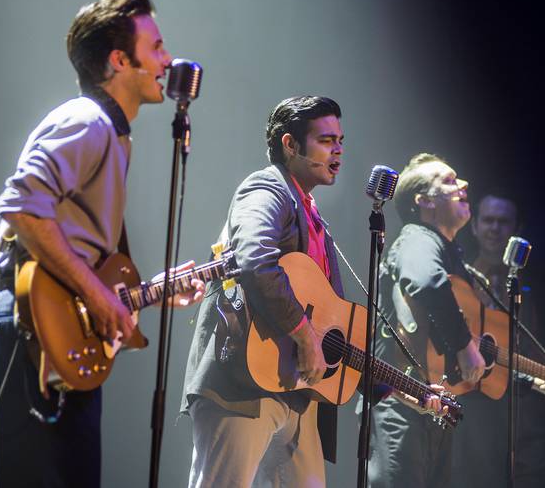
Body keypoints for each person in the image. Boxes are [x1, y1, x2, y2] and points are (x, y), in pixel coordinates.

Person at [0, 0, 204, 488]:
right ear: (120, 60)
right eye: (158, 47)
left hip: (62, 330)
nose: (168, 60)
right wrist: (98, 295)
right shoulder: (87, 122)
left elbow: (83, 254)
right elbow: (19, 206)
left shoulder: (112, 133)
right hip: (33, 326)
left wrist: (147, 289)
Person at [181, 97, 446, 488]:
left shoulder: (313, 214)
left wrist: (403, 390)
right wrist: (304, 335)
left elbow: (331, 335)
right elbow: (254, 259)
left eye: (340, 140)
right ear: (290, 145)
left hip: (298, 394)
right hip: (243, 385)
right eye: (326, 140)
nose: (338, 149)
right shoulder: (266, 188)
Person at [448, 191, 545, 488]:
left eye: (503, 222)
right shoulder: (460, 278)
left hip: (534, 409)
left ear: (517, 228)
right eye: (488, 221)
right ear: (474, 226)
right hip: (479, 410)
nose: (495, 228)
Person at [366, 153, 487, 487]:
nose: (464, 185)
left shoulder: (450, 252)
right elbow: (425, 280)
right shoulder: (417, 238)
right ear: (423, 201)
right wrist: (465, 346)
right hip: (401, 402)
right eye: (448, 181)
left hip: (433, 404)